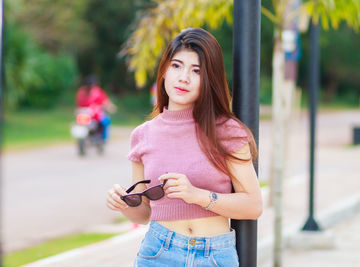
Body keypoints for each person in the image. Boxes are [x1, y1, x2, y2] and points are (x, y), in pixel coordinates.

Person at [106, 28, 262, 266]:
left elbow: (253, 205)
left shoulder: (227, 131)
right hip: (158, 253)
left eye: (196, 70)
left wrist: (196, 195)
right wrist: (124, 205)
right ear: (164, 71)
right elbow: (146, 214)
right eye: (176, 66)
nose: (184, 77)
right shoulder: (142, 135)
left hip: (214, 255)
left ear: (209, 79)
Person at [76, 75, 116, 142]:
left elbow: (78, 103)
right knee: (106, 121)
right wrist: (111, 108)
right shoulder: (97, 91)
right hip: (94, 115)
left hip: (82, 113)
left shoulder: (81, 91)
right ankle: (103, 139)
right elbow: (105, 102)